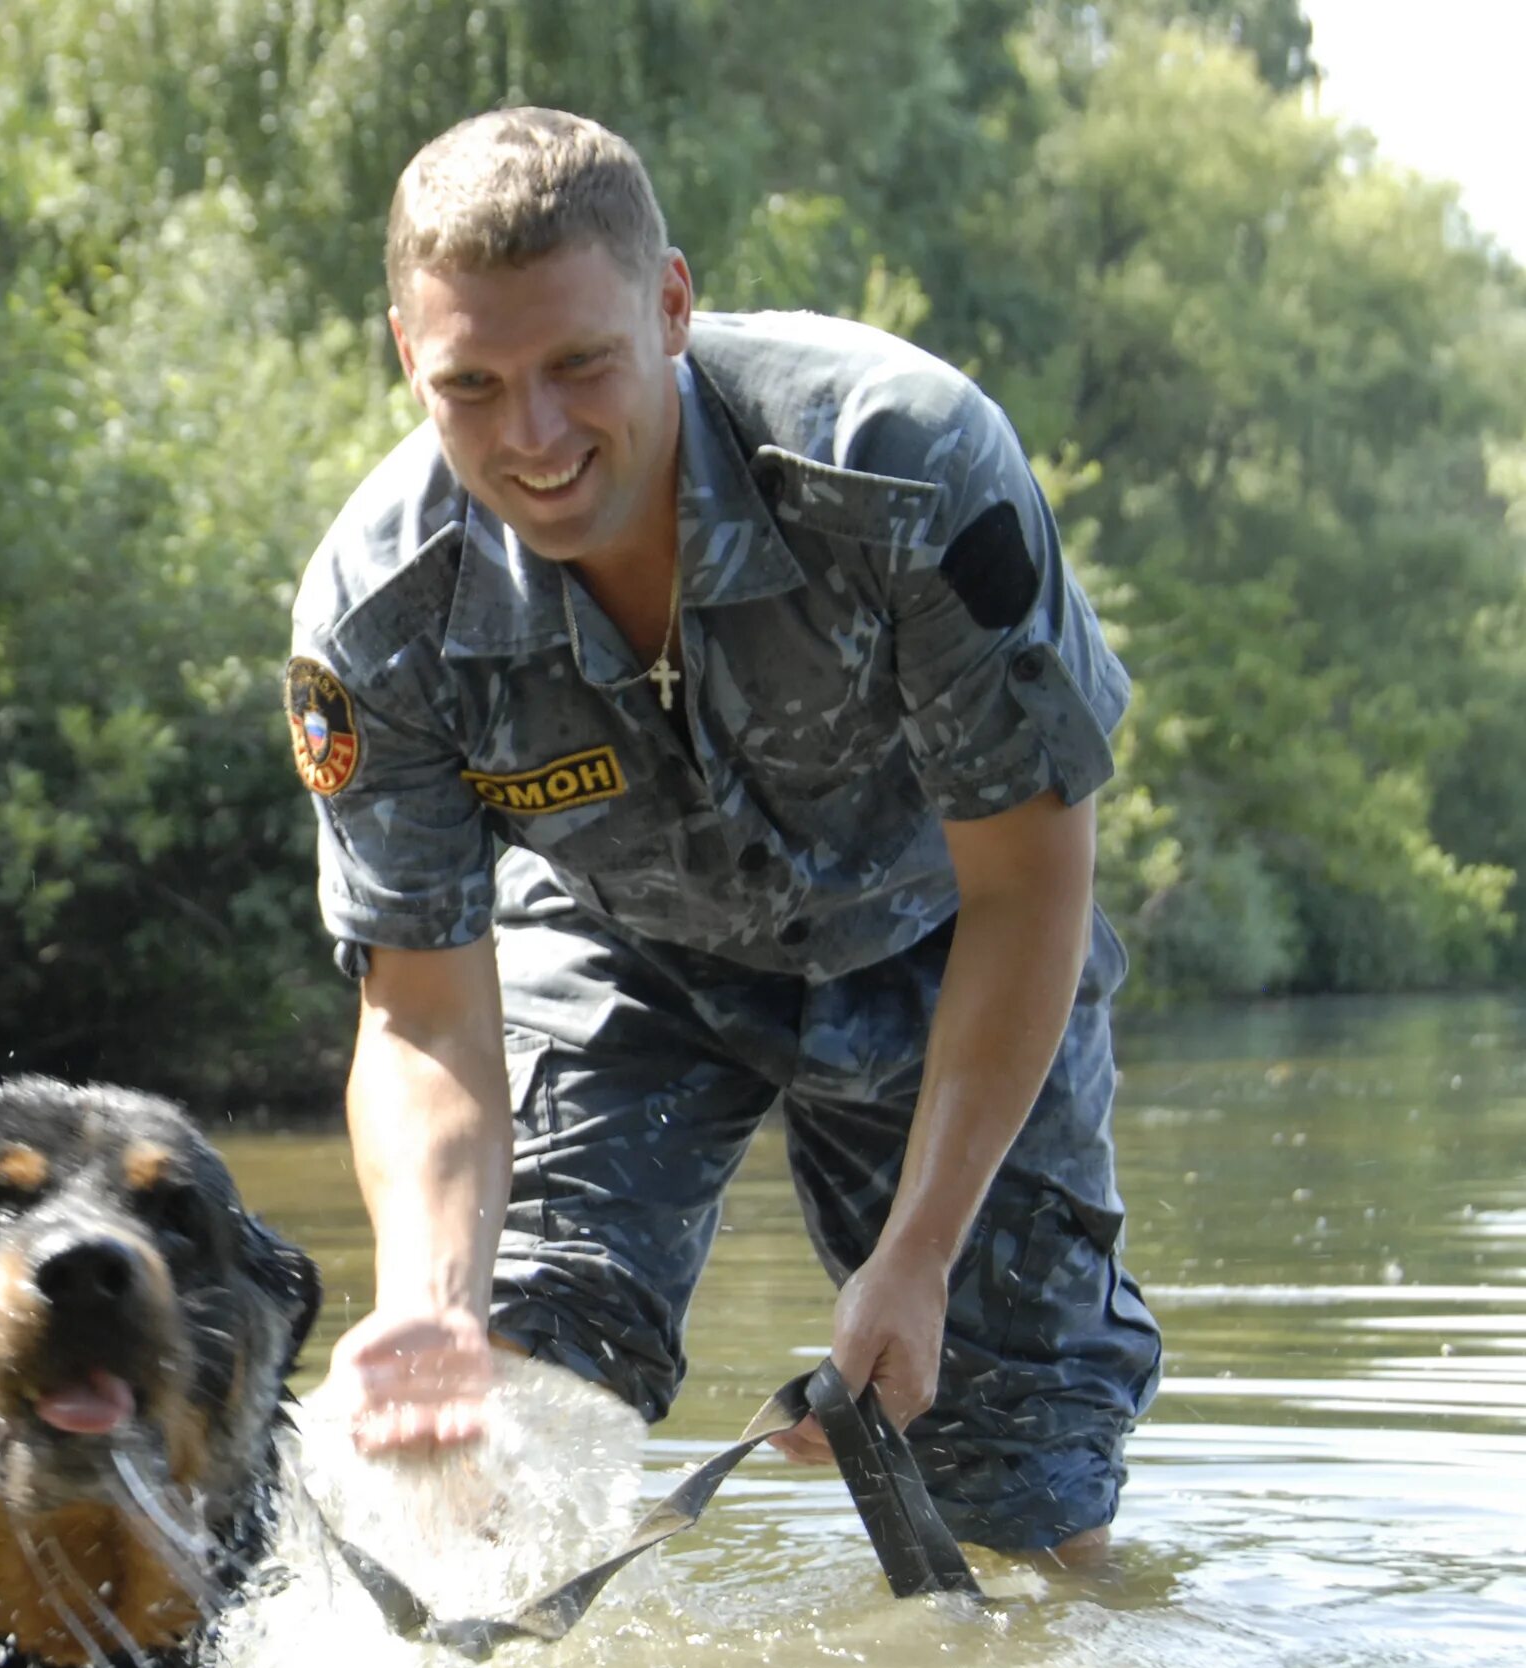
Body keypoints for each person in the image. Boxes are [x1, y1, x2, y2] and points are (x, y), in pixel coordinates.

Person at [289, 107, 1160, 1561]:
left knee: (1024, 1484)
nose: (536, 437)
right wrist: (427, 1297)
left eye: (580, 365)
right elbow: (428, 1013)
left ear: (673, 305)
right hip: (624, 949)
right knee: (508, 1399)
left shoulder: (909, 470)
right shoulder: (382, 618)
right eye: (474, 385)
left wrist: (920, 1252)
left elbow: (1028, 887)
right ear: (407, 358)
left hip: (945, 941)